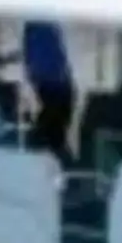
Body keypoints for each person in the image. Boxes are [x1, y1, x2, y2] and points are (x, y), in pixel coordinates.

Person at [21, 17, 77, 162]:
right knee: (51, 134)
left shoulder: (41, 26)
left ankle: (68, 167)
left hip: (58, 89)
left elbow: (38, 55)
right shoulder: (37, 28)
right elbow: (31, 54)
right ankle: (66, 164)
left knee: (50, 134)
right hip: (54, 88)